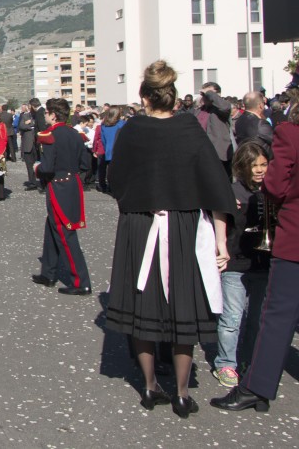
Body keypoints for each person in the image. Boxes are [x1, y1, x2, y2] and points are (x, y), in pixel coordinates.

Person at [103, 61, 234, 419]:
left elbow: (115, 180)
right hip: (182, 224)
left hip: (139, 223)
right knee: (182, 308)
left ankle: (149, 386)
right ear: (173, 97)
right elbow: (215, 183)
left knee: (141, 308)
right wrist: (222, 240)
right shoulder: (189, 128)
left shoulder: (132, 129)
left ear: (145, 97)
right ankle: (181, 393)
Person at [212, 99, 299, 413]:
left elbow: (274, 185)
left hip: (294, 239)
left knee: (277, 317)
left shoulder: (290, 133)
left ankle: (256, 387)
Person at [210, 141, 270, 388]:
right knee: (232, 318)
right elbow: (217, 214)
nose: (260, 170)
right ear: (243, 166)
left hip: (263, 263)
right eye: (254, 165)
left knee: (257, 319)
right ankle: (225, 363)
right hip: (236, 261)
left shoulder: (271, 189)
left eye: (263, 164)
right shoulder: (232, 190)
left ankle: (249, 361)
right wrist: (221, 247)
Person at [31, 98, 93, 295]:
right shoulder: (75, 133)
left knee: (65, 232)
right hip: (73, 183)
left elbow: (47, 167)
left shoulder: (51, 135)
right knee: (52, 228)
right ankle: (48, 273)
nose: (45, 116)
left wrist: (37, 168)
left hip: (58, 186)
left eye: (47, 112)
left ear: (53, 115)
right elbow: (85, 164)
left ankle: (81, 282)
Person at [192, 82, 234, 179]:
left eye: (208, 94)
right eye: (203, 95)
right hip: (202, 155)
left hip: (219, 156)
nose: (205, 97)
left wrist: (209, 93)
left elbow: (225, 107)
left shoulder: (222, 109)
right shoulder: (199, 111)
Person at [96, 106, 124, 193]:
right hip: (120, 150)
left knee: (110, 171)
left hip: (108, 150)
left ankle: (111, 187)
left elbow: (103, 140)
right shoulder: (122, 124)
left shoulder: (104, 125)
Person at [19, 104, 39, 190]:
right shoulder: (25, 116)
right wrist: (30, 126)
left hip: (37, 144)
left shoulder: (39, 115)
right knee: (29, 165)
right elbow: (21, 126)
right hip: (28, 144)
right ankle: (32, 182)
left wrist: (31, 123)